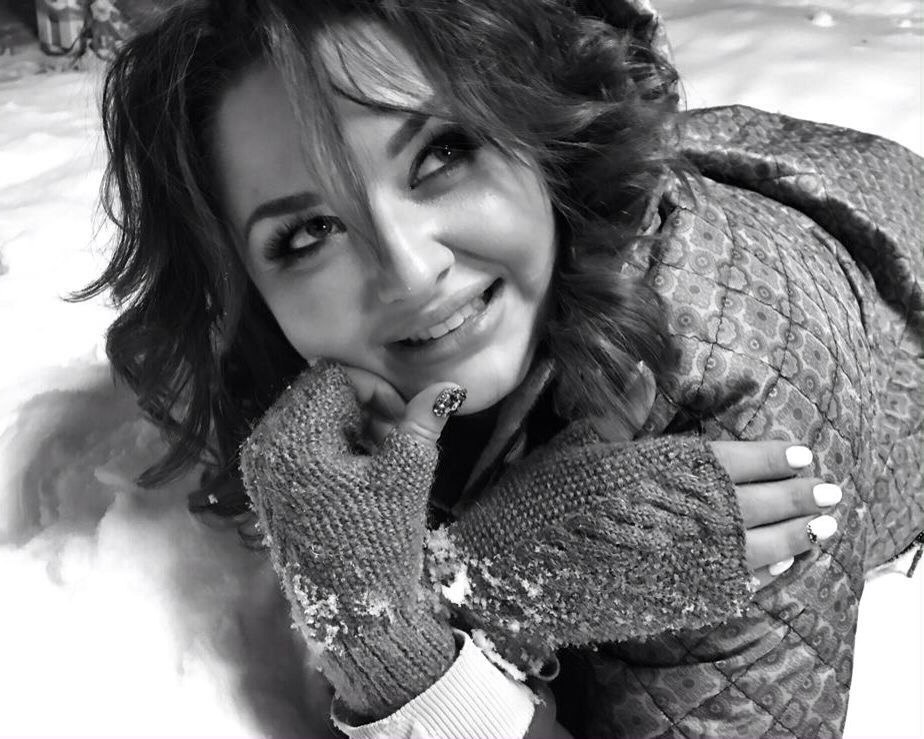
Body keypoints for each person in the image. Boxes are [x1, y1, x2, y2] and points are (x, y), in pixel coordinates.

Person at [76, 0, 923, 736]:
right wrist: (456, 570)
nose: (410, 271)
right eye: (310, 233)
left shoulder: (735, 393)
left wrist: (456, 603)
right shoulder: (290, 357)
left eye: (441, 154)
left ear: (539, 130)